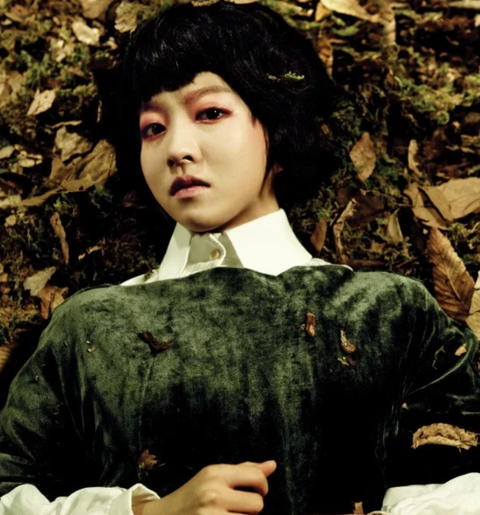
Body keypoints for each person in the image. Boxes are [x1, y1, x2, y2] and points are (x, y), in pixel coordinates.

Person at [0, 1, 479, 515]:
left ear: (276, 125)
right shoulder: (87, 328)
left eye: (210, 113)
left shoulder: (391, 313)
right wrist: (146, 512)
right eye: (153, 128)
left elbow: (462, 485)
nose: (176, 148)